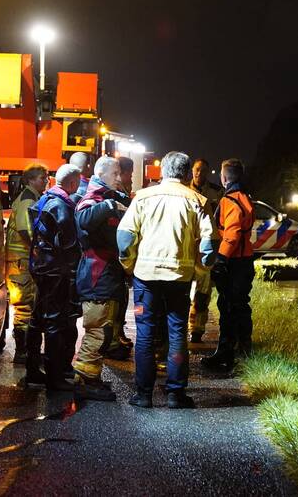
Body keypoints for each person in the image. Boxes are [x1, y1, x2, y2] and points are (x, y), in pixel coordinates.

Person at [117, 151, 215, 409]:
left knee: (146, 334)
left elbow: (125, 237)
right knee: (177, 333)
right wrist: (201, 271)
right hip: (179, 279)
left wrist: (128, 265)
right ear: (185, 174)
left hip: (145, 278)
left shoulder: (143, 197)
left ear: (163, 172)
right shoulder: (198, 200)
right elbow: (208, 246)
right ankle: (175, 394)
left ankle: (143, 394)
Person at [72, 156, 129, 400]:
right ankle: (85, 379)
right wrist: (109, 205)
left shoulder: (109, 196)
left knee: (106, 329)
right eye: (115, 173)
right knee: (98, 329)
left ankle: (91, 378)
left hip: (108, 273)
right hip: (97, 274)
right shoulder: (92, 197)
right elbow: (83, 219)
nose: (120, 177)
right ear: (102, 173)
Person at [23, 164, 82, 393]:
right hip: (56, 272)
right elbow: (69, 244)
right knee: (55, 323)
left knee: (37, 319)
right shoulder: (62, 206)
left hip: (40, 268)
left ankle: (32, 370)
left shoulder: (45, 199)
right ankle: (54, 377)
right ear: (73, 184)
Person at [202, 159, 256, 374]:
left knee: (229, 307)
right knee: (239, 306)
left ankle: (228, 354)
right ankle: (239, 350)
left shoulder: (230, 200)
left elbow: (232, 234)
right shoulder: (244, 197)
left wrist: (221, 259)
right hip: (244, 260)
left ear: (224, 178)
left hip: (234, 262)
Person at [5, 163, 49, 364]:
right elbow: (26, 229)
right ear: (31, 180)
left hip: (24, 260)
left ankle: (27, 351)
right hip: (21, 261)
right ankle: (22, 352)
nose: (46, 181)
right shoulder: (27, 199)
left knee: (29, 304)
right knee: (23, 306)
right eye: (42, 178)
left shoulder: (33, 197)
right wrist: (38, 249)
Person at [187, 158, 223, 344]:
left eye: (203, 171)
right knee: (182, 290)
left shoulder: (217, 193)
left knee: (203, 293)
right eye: (196, 170)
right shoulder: (184, 189)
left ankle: (197, 329)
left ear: (208, 172)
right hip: (185, 246)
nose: (199, 174)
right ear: (192, 170)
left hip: (205, 247)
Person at [108, 156, 136, 355]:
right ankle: (113, 340)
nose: (130, 178)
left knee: (121, 298)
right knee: (116, 300)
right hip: (115, 256)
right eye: (129, 174)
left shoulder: (124, 193)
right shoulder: (115, 195)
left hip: (119, 255)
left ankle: (118, 334)